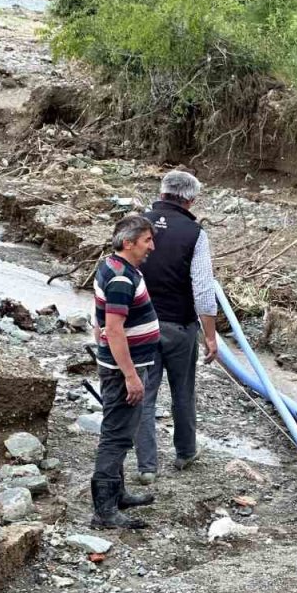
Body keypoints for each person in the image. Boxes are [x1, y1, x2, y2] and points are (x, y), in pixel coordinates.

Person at [134, 170, 219, 485]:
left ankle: (146, 467)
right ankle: (185, 453)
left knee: (144, 393)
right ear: (191, 199)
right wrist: (210, 336)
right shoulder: (195, 233)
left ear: (161, 192)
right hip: (179, 327)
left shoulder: (137, 225)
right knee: (182, 392)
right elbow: (203, 291)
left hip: (140, 325)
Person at [91, 214, 160, 529]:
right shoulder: (121, 279)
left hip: (117, 364)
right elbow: (115, 330)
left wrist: (103, 348)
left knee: (120, 431)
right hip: (124, 370)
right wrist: (130, 375)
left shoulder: (111, 266)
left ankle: (117, 494)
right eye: (147, 240)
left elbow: (100, 321)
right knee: (116, 436)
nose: (152, 247)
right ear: (128, 242)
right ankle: (105, 510)